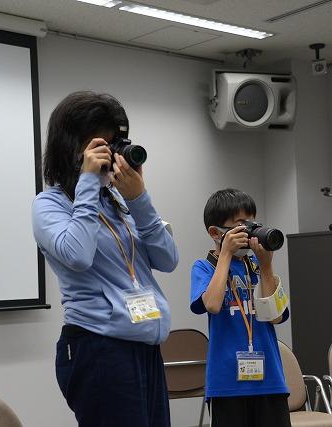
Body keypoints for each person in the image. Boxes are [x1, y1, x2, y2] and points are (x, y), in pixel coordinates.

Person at [32, 91, 178, 427]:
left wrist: (139, 197)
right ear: (74, 147)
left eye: (115, 143)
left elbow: (168, 259)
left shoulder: (117, 201)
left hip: (144, 348)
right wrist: (86, 182)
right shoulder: (48, 205)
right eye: (103, 143)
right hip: (99, 348)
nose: (112, 153)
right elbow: (78, 255)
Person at [190, 188, 291, 427]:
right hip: (227, 383)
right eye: (240, 225)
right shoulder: (204, 268)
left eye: (252, 223)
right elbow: (213, 304)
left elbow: (276, 317)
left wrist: (266, 267)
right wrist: (225, 254)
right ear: (216, 232)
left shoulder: (257, 266)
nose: (249, 231)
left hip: (269, 379)